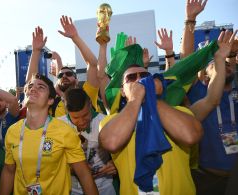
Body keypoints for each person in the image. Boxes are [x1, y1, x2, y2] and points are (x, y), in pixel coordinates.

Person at [99, 64, 203, 195]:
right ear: (122, 91)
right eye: (131, 78)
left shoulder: (180, 111)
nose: (139, 80)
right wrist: (135, 99)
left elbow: (191, 136)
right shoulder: (110, 121)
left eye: (145, 76)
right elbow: (111, 142)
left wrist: (150, 98)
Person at [0, 74, 98, 195]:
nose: (33, 89)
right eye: (30, 86)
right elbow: (9, 171)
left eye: (40, 87)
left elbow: (84, 175)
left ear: (50, 100)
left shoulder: (64, 131)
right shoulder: (12, 131)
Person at [187, 29, 238, 195]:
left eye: (227, 64)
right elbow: (186, 62)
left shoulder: (235, 94)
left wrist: (233, 53)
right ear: (207, 75)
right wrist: (190, 20)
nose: (225, 66)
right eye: (216, 64)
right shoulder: (198, 93)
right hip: (208, 180)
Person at [59, 88, 116, 195]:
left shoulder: (106, 122)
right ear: (67, 111)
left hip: (104, 186)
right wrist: (73, 168)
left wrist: (114, 164)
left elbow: (121, 154)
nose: (81, 121)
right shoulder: (58, 126)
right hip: (71, 188)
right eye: (75, 117)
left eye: (85, 115)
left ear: (90, 104)